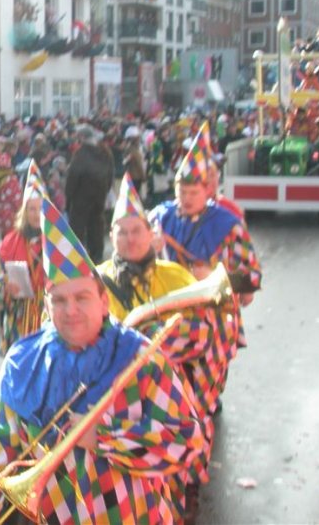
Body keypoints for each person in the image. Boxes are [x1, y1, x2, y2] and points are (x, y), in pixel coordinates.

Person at [0, 196, 205, 523]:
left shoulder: (142, 358)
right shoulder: (22, 361)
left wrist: (105, 437)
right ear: (47, 306)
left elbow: (186, 442)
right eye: (59, 300)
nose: (70, 310)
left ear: (103, 301)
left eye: (82, 297)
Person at [98, 174, 221, 517]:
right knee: (134, 462)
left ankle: (185, 496)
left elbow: (203, 331)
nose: (130, 239)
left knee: (180, 449)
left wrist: (155, 342)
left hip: (173, 384)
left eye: (136, 231)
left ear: (150, 234)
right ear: (112, 237)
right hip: (120, 391)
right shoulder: (96, 279)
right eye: (122, 232)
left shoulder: (175, 276)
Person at [150, 123, 261, 417]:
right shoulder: (159, 217)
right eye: (181, 191)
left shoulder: (227, 224)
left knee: (208, 371)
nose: (186, 198)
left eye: (193, 192)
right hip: (170, 310)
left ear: (207, 190)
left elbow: (249, 277)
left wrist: (214, 275)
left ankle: (205, 408)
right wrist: (150, 247)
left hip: (213, 314)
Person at [0, 160, 48, 354]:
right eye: (32, 209)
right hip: (18, 315)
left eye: (41, 208)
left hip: (48, 315)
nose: (36, 214)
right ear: (24, 211)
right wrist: (4, 285)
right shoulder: (10, 241)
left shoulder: (58, 242)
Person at [65, 124, 114, 263]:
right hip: (99, 196)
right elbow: (110, 174)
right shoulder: (105, 152)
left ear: (81, 138)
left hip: (81, 197)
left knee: (77, 229)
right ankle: (97, 257)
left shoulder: (81, 154)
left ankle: (76, 259)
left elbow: (73, 177)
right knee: (96, 227)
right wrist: (105, 190)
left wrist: (69, 195)